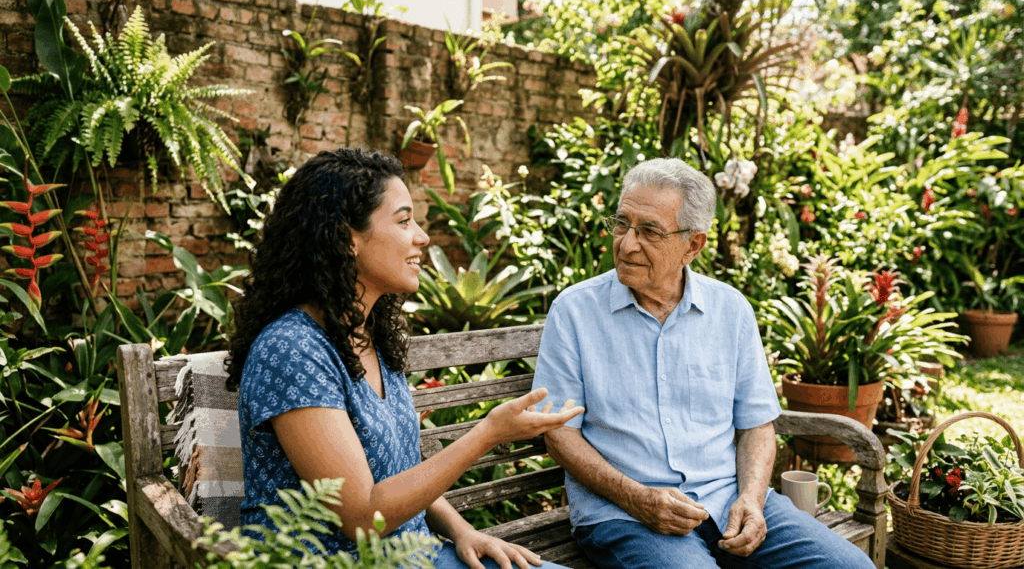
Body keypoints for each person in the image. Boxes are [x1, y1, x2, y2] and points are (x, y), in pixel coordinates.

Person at [226, 148, 583, 569]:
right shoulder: (292, 350)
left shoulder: (369, 334)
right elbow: (360, 517)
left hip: (416, 556)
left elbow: (400, 471)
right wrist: (488, 433)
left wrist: (462, 530)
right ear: (346, 238)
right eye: (403, 220)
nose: (422, 237)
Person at [530, 157, 876, 569]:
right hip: (625, 513)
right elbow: (558, 435)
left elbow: (756, 426)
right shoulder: (574, 312)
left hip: (726, 498)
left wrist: (750, 499)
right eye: (621, 224)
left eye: (649, 231)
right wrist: (637, 498)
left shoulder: (730, 310)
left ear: (693, 245)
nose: (625, 244)